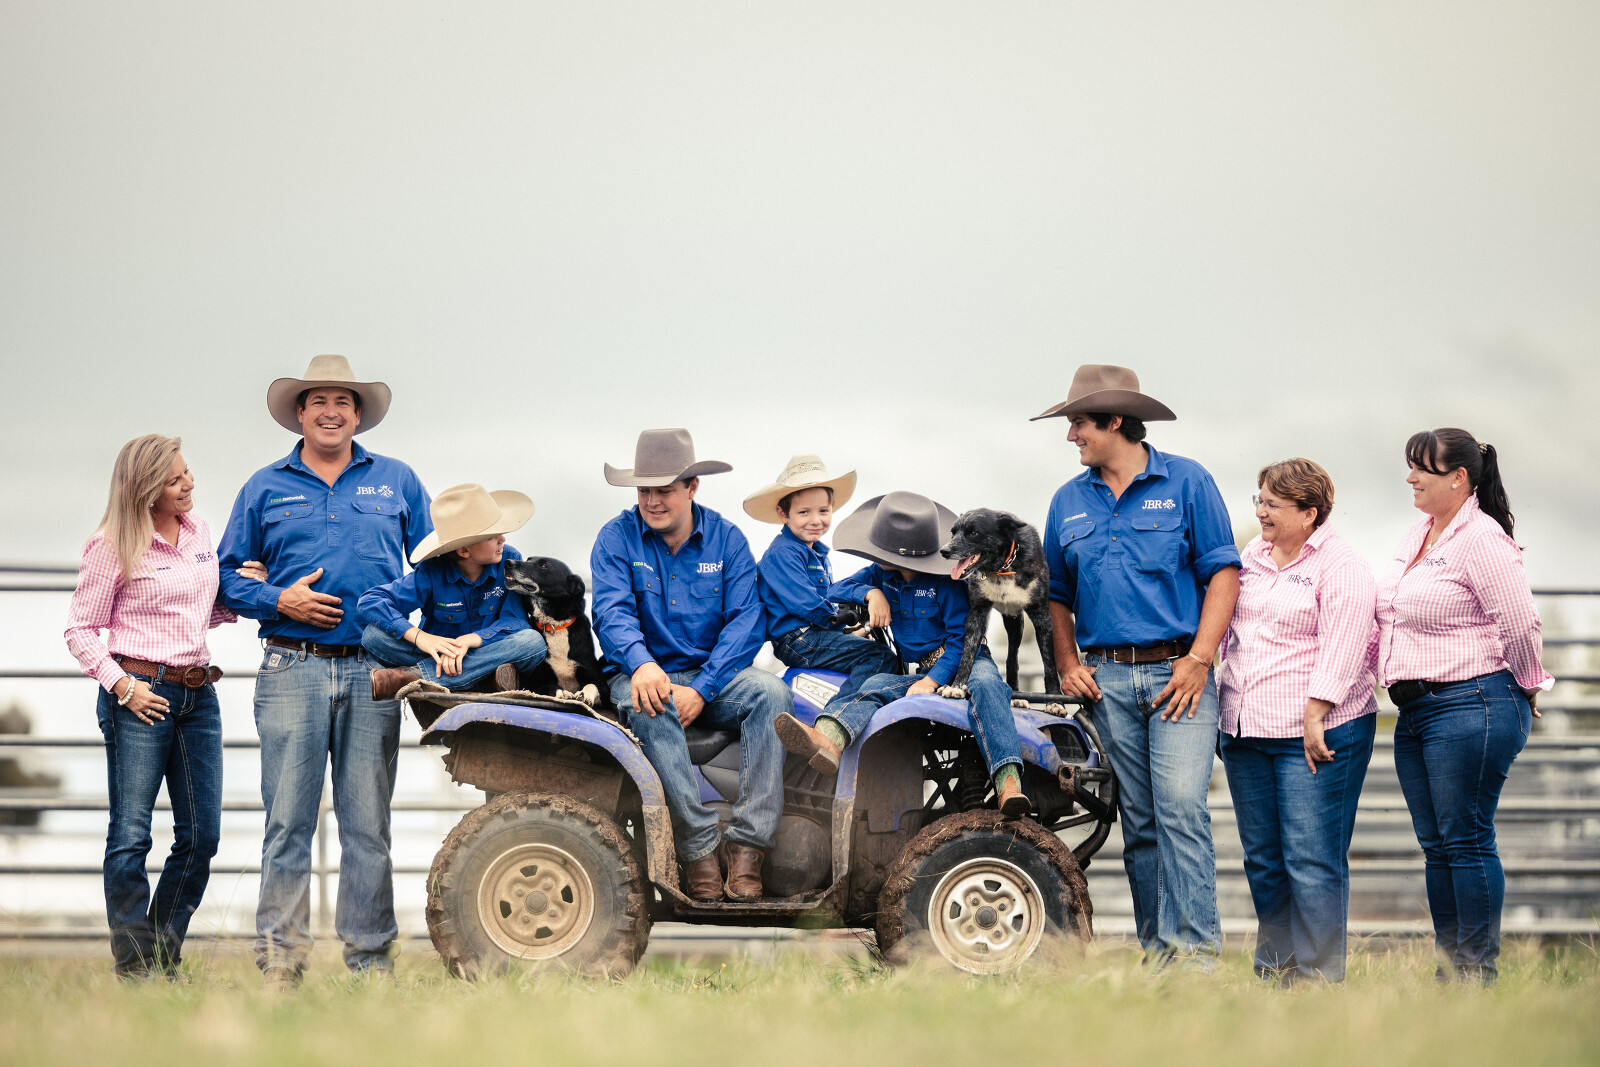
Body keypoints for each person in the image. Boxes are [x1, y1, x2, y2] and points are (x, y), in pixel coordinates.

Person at [218, 355, 432, 990]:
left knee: (368, 826)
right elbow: (226, 576)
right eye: (319, 401)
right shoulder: (263, 487)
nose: (331, 412)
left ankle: (370, 964)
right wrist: (277, 599)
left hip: (375, 669)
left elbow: (438, 564)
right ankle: (280, 963)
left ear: (358, 415)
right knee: (288, 821)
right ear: (300, 413)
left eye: (343, 401)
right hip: (292, 665)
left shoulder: (397, 481)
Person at [1035, 364, 1241, 965]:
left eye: (1079, 422)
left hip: (1180, 675)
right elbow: (1054, 594)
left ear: (1115, 421)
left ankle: (1196, 960)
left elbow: (1224, 573)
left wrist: (1200, 659)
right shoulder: (1067, 501)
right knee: (1142, 822)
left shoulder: (1188, 481)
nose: (1071, 434)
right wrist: (1067, 662)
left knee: (1180, 808)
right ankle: (1159, 958)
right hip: (1106, 683)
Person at [63, 435, 247, 976]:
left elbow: (199, 613)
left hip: (199, 695)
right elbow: (80, 630)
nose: (188, 483)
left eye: (186, 472)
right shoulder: (111, 544)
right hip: (139, 696)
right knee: (131, 835)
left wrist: (242, 592)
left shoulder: (199, 533)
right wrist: (122, 686)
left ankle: (162, 954)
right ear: (145, 489)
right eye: (173, 480)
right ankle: (135, 966)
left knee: (202, 836)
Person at [1377, 428, 1552, 983]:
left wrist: (1528, 683)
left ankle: (1476, 976)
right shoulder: (1419, 534)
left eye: (1421, 469)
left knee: (1467, 841)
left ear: (1458, 478)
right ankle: (1450, 973)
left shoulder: (1482, 539)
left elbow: (1520, 622)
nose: (1410, 478)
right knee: (1437, 847)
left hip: (1470, 703)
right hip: (1417, 712)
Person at [589, 428, 791, 902]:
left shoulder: (727, 540)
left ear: (692, 487)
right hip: (643, 673)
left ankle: (748, 847)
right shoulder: (616, 538)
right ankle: (699, 848)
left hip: (711, 677)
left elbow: (746, 621)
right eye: (644, 491)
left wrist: (703, 688)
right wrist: (641, 664)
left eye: (664, 490)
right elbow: (611, 612)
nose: (652, 502)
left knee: (772, 694)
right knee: (647, 701)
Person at [1216, 458, 1378, 983]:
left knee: (1311, 859)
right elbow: (1231, 634)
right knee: (1264, 860)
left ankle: (1318, 981)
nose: (1260, 512)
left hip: (1312, 733)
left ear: (1309, 512)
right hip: (1247, 730)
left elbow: (1347, 643)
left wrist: (1316, 712)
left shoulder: (1341, 565)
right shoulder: (1252, 557)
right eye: (1259, 500)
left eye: (1272, 504)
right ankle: (1277, 972)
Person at [776, 491, 1030, 816]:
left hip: (967, 661)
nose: (876, 555)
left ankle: (1008, 782)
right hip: (923, 669)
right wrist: (871, 593)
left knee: (988, 685)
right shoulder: (880, 574)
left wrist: (932, 681)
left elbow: (963, 640)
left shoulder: (947, 584)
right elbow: (833, 590)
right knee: (875, 684)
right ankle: (828, 738)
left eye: (883, 550)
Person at [745, 454, 899, 735]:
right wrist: (844, 618)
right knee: (880, 658)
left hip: (812, 635)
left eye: (823, 511)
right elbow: (808, 604)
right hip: (798, 639)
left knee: (872, 651)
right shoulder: (783, 553)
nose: (815, 520)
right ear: (783, 514)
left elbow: (828, 595)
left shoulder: (816, 553)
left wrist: (849, 627)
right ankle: (833, 724)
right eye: (804, 512)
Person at [358, 483, 547, 697]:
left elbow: (515, 621)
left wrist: (470, 640)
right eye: (491, 536)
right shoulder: (431, 571)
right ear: (464, 550)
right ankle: (475, 679)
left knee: (532, 642)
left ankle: (416, 676)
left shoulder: (509, 560)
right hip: (440, 656)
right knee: (372, 636)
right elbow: (371, 601)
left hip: (489, 650)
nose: (502, 538)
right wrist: (421, 638)